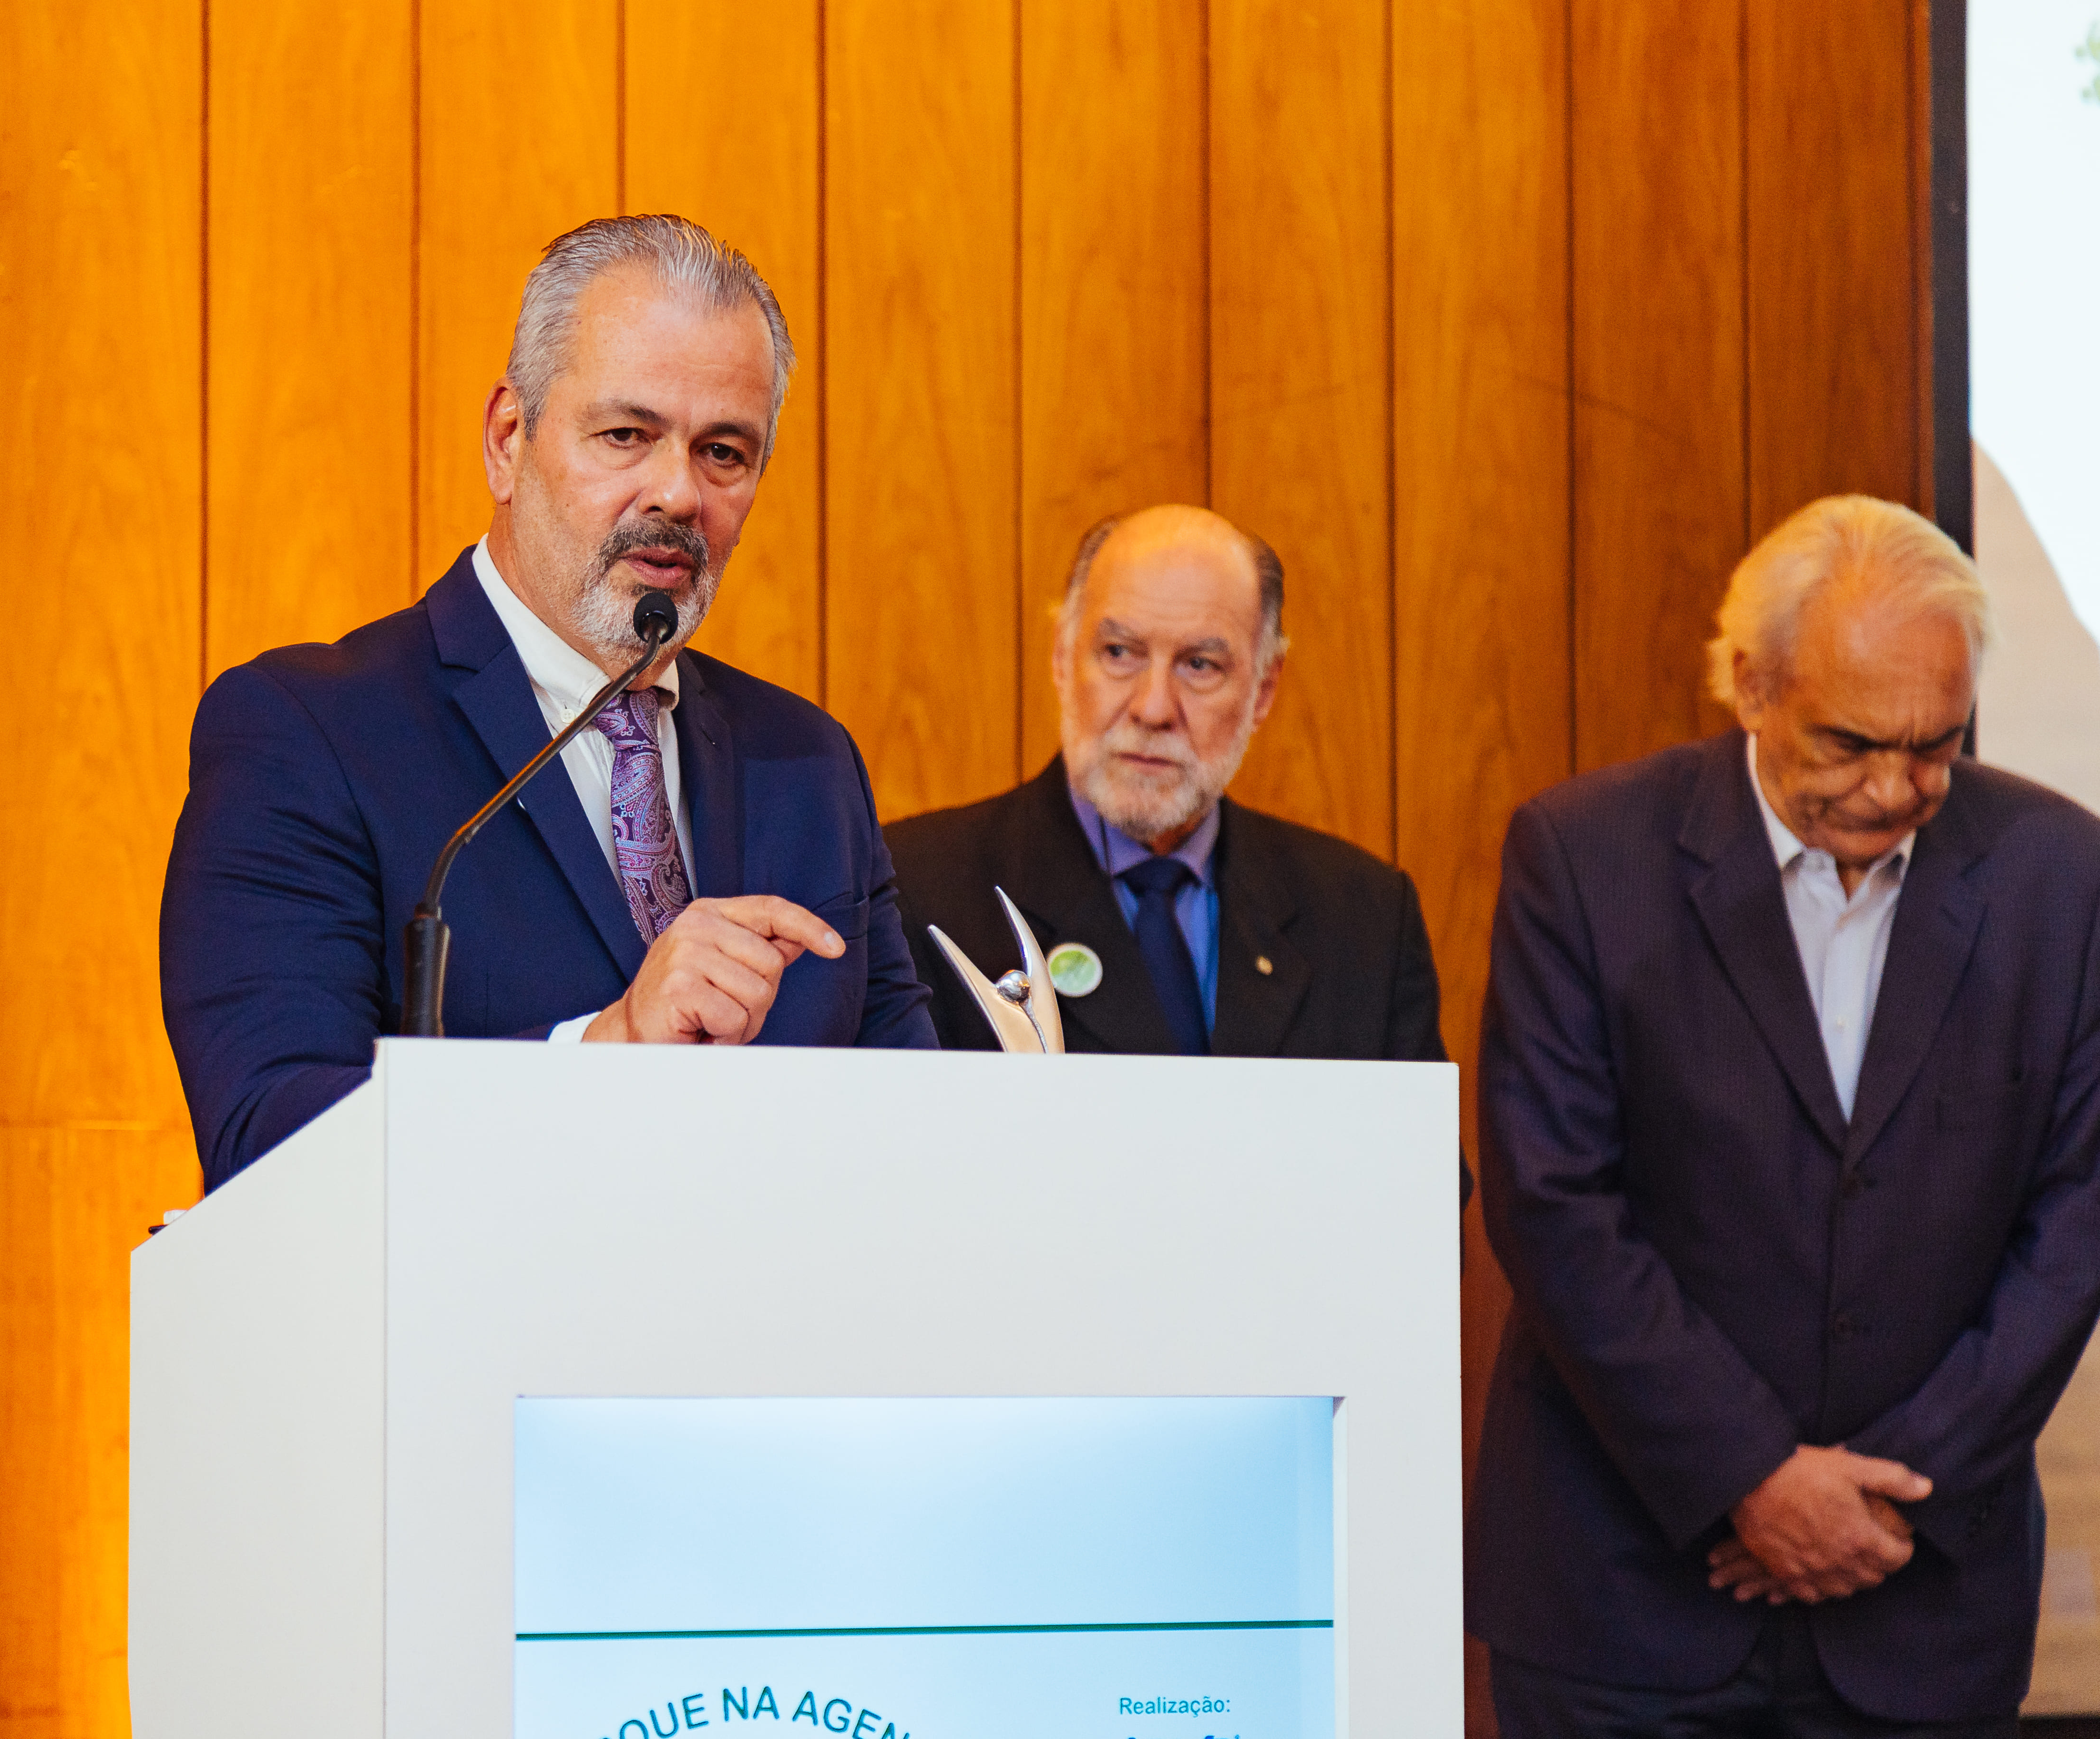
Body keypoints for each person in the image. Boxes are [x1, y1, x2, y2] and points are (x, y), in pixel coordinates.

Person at [1468, 494, 2100, 1734]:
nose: (1898, 787)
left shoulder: (2062, 879)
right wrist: (1750, 1479)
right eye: (1852, 742)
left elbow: (2077, 1221)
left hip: (1923, 1611)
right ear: (1751, 687)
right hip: (1626, 1598)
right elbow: (1554, 1201)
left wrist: (1883, 1506)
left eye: (1936, 744)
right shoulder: (1587, 858)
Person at [161, 215, 936, 1192]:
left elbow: (914, 1137)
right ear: (508, 438)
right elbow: (266, 1137)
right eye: (626, 435)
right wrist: (604, 1048)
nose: (678, 493)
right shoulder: (308, 733)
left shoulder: (808, 768)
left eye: (724, 454)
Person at [886, 505, 1447, 1066]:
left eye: (1200, 665)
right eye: (1119, 653)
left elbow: (1422, 1156)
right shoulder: (912, 891)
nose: (1153, 708)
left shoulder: (1366, 921)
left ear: (1264, 690)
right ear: (1062, 657)